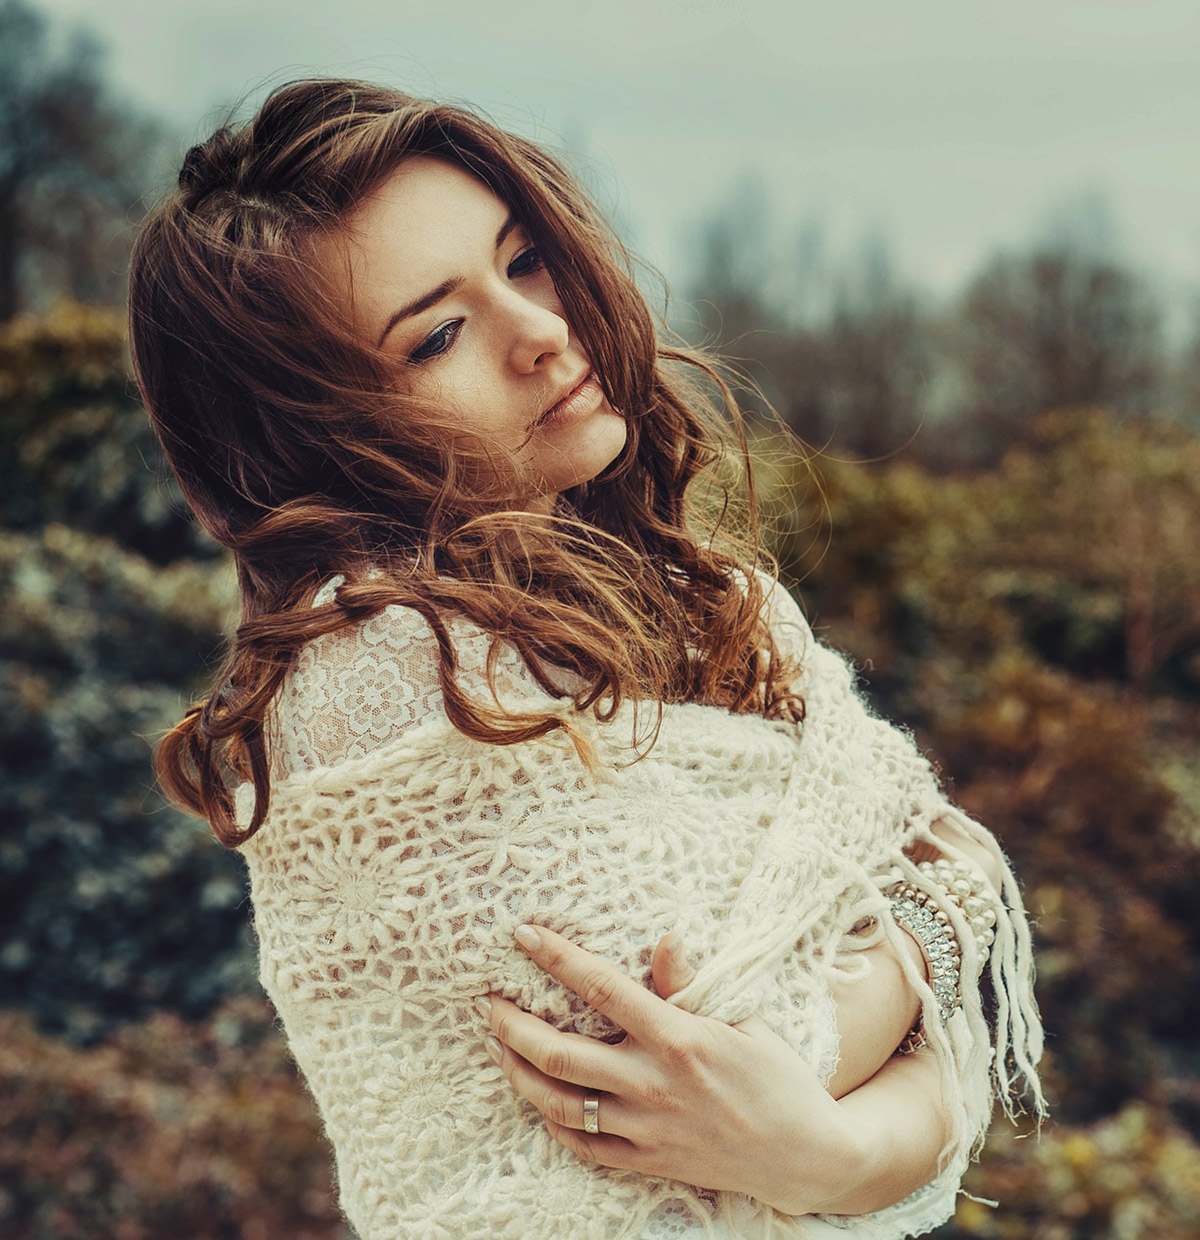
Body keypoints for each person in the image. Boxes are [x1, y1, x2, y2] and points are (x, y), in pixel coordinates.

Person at [128, 78, 1045, 1239]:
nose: (542, 332)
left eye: (522, 262)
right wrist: (931, 916)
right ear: (316, 429)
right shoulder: (385, 662)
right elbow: (741, 1040)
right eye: (439, 333)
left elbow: (831, 1099)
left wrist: (824, 1148)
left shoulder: (715, 607)